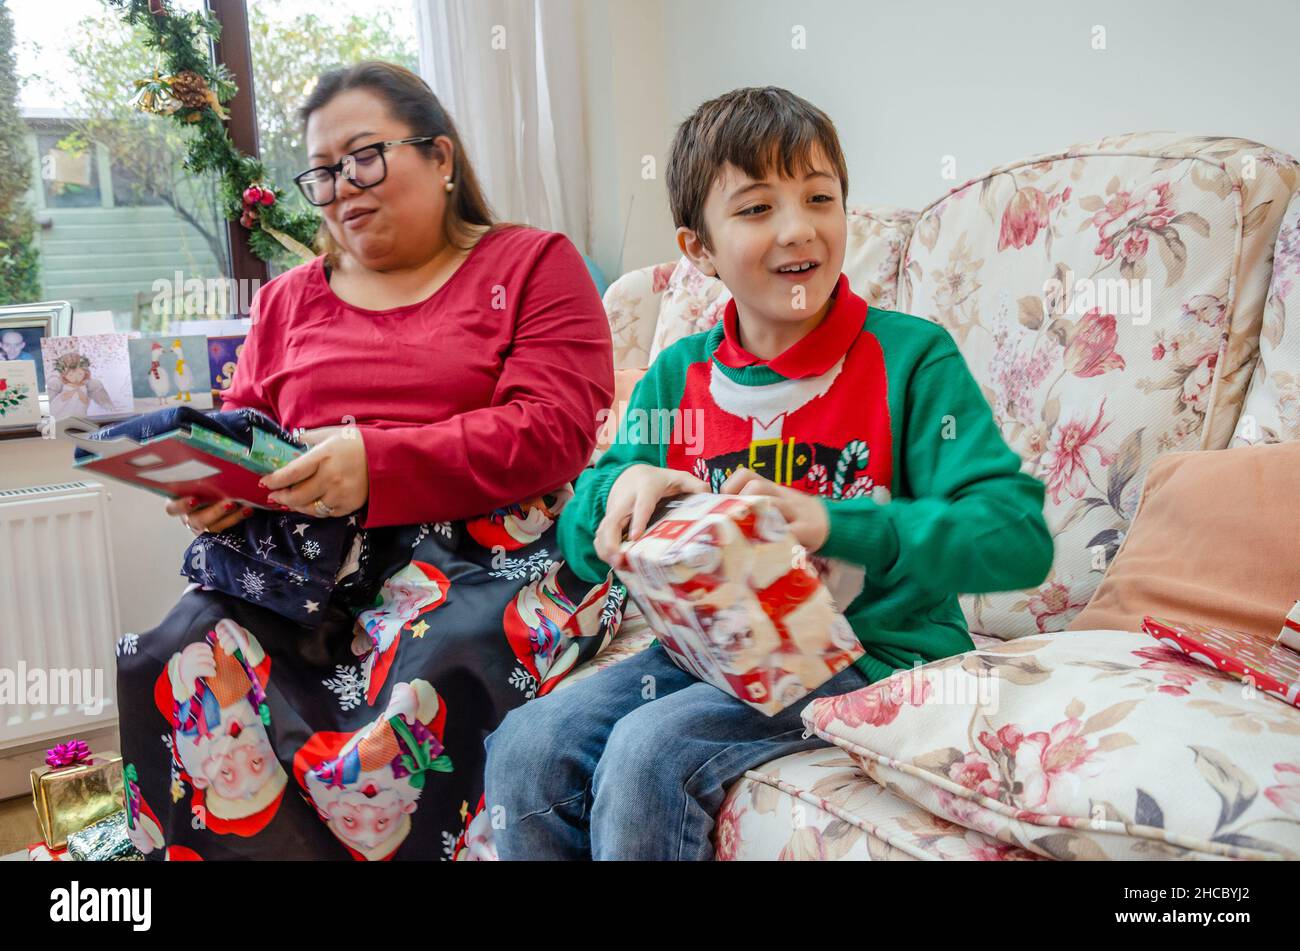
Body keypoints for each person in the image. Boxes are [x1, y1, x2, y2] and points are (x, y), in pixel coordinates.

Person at [483, 86, 1054, 860]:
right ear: (698, 250)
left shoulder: (911, 359)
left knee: (651, 751)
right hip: (702, 650)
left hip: (875, 654)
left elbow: (1016, 538)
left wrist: (829, 522)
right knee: (525, 741)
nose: (798, 228)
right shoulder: (678, 376)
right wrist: (619, 493)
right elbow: (584, 544)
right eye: (755, 209)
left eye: (819, 197)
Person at [115, 61, 620, 861]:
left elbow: (557, 427)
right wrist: (222, 485)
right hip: (301, 560)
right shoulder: (288, 299)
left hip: (480, 551)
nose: (343, 185)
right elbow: (251, 424)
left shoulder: (530, 264)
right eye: (321, 171)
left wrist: (378, 463)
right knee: (170, 654)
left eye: (363, 157)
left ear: (442, 157)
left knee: (417, 694)